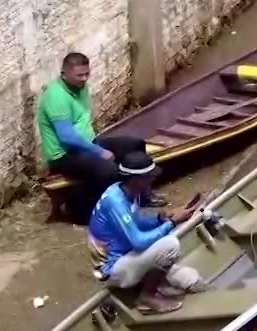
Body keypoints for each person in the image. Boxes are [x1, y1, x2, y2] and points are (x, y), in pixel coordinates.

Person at [37, 52, 155, 220]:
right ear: (64, 74)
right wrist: (99, 152)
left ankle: (141, 195)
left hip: (87, 145)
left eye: (87, 74)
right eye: (79, 75)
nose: (84, 79)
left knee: (135, 145)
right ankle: (81, 211)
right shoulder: (56, 96)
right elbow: (66, 136)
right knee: (107, 170)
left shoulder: (80, 87)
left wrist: (96, 148)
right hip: (65, 155)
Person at [88, 150, 205, 314]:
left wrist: (160, 219)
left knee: (163, 238)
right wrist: (172, 222)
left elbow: (135, 223)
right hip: (112, 269)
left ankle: (155, 281)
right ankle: (147, 296)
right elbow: (138, 241)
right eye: (149, 176)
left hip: (125, 253)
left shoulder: (128, 191)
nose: (154, 178)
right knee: (170, 244)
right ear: (136, 179)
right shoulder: (115, 201)